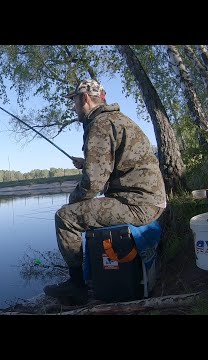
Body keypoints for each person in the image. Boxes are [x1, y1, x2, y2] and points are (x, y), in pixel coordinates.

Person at [43, 79, 167, 305]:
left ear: (86, 99)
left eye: (74, 102)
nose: (73, 107)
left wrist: (72, 202)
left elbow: (93, 183)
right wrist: (87, 161)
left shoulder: (99, 124)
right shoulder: (117, 119)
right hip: (150, 200)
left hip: (138, 205)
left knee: (65, 217)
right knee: (79, 211)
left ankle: (77, 287)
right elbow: (115, 164)